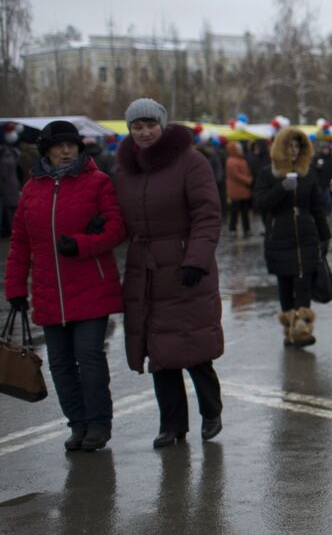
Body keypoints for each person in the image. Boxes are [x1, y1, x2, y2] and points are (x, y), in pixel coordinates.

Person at [5, 120, 127, 452]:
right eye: (58, 146)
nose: (65, 151)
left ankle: (99, 424)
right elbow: (20, 244)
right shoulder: (32, 189)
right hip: (48, 292)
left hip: (91, 287)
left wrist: (83, 244)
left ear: (78, 148)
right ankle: (78, 424)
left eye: (70, 145)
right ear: (45, 150)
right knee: (59, 364)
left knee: (89, 358)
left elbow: (117, 228)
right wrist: (15, 289)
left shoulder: (98, 182)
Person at [114, 99, 226, 447]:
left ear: (163, 124)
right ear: (129, 130)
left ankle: (211, 410)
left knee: (193, 348)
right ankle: (172, 425)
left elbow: (207, 214)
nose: (144, 132)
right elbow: (121, 218)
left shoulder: (191, 162)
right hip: (145, 270)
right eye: (137, 126)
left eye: (150, 124)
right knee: (159, 352)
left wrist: (195, 259)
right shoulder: (126, 169)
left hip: (183, 266)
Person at [254, 128, 330, 347]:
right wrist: (282, 188)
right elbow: (260, 204)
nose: (294, 151)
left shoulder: (308, 173)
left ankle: (302, 330)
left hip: (306, 237)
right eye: (289, 146)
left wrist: (325, 236)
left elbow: (317, 207)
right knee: (285, 286)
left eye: (297, 147)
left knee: (303, 283)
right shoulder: (268, 173)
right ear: (281, 148)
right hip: (279, 238)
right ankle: (290, 330)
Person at [224, 141, 254, 236]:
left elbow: (247, 171)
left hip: (243, 189)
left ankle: (247, 228)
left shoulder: (242, 160)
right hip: (236, 190)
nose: (240, 150)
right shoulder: (231, 161)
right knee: (235, 211)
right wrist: (248, 180)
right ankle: (232, 228)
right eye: (238, 148)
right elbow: (236, 175)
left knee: (245, 210)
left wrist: (249, 178)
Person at [0, 124, 20, 238]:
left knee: (11, 212)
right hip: (7, 189)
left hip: (8, 189)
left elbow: (4, 174)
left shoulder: (8, 155)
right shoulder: (9, 154)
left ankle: (12, 232)